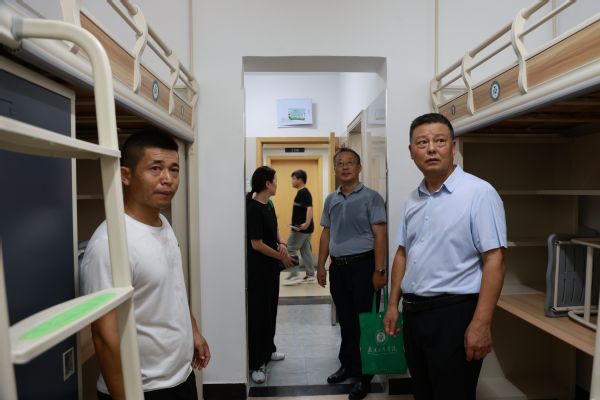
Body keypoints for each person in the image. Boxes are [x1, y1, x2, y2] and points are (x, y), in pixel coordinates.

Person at [383, 113, 507, 400]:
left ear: (453, 146)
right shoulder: (413, 199)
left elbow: (495, 261)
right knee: (423, 392)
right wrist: (392, 305)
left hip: (455, 314)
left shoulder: (479, 193)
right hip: (414, 314)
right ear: (411, 151)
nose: (431, 149)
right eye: (422, 143)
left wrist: (481, 323)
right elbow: (403, 253)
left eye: (439, 141)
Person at [80, 131, 210, 399]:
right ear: (125, 176)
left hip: (181, 376)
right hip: (144, 389)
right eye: (155, 168)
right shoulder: (109, 244)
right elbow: (104, 337)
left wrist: (194, 331)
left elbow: (173, 289)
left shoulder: (163, 224)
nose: (168, 179)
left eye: (174, 169)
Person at [317, 148, 387, 400]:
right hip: (339, 269)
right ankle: (347, 365)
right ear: (335, 169)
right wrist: (320, 265)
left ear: (359, 168)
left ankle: (365, 377)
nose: (345, 167)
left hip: (364, 267)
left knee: (365, 323)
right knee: (346, 322)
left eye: (350, 163)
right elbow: (326, 233)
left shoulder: (372, 198)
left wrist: (379, 270)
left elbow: (380, 234)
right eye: (340, 163)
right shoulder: (331, 199)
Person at [246, 166, 296, 384]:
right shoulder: (253, 208)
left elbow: (275, 227)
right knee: (258, 315)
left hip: (271, 270)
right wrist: (281, 256)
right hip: (258, 271)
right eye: (275, 180)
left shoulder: (269, 204)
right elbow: (256, 244)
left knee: (270, 310)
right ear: (267, 184)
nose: (277, 184)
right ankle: (257, 363)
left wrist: (281, 242)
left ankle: (269, 350)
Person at [283, 169, 316, 285]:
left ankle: (294, 275)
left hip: (301, 228)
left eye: (293, 179)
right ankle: (310, 275)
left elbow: (309, 208)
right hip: (304, 228)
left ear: (300, 180)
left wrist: (306, 223)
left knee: (290, 248)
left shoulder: (303, 192)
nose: (292, 181)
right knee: (306, 251)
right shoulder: (302, 192)